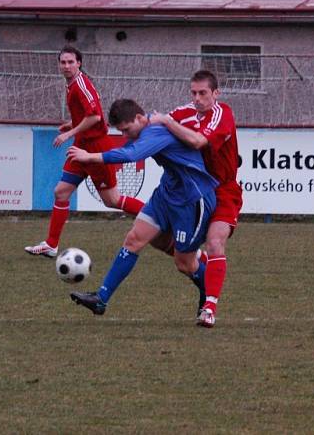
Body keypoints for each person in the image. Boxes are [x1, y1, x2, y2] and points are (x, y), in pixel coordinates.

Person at [67, 99, 217, 321]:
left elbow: (130, 155)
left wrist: (90, 157)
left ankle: (208, 293)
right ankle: (101, 299)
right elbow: (128, 148)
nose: (126, 134)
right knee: (134, 239)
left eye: (127, 129)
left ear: (139, 118)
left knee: (184, 264)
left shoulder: (156, 131)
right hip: (167, 194)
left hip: (192, 199)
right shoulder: (144, 132)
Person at [24, 46, 144, 258]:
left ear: (79, 63)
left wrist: (70, 132)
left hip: (96, 148)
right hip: (81, 147)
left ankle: (157, 216)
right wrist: (72, 124)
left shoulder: (81, 84)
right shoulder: (71, 84)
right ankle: (51, 245)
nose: (67, 66)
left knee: (112, 201)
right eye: (63, 62)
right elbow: (88, 114)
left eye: (71, 62)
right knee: (61, 192)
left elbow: (96, 117)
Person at [149, 69, 242, 327]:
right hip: (194, 192)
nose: (198, 98)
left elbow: (199, 141)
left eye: (203, 93)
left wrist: (166, 123)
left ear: (216, 93)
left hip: (223, 191)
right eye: (194, 93)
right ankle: (201, 266)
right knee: (176, 256)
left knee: (215, 242)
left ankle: (209, 307)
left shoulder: (223, 114)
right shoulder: (185, 112)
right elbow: (158, 121)